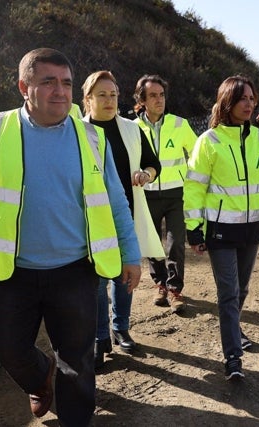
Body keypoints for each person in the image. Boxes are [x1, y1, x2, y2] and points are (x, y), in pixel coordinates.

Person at [0, 48, 141, 424]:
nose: (60, 91)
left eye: (66, 83)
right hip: (10, 270)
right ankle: (40, 377)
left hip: (75, 270)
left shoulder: (94, 138)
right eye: (48, 82)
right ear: (24, 87)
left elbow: (116, 201)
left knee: (78, 359)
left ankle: (75, 419)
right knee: (1, 344)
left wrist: (131, 254)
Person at [185, 75, 259, 380]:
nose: (249, 104)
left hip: (253, 229)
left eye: (252, 98)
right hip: (220, 231)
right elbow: (194, 189)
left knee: (241, 289)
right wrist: (194, 228)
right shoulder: (209, 141)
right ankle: (233, 358)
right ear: (227, 101)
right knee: (228, 293)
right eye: (243, 98)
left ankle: (234, 329)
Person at [81, 70, 164, 366]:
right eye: (101, 95)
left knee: (124, 274)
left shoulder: (131, 129)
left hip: (126, 213)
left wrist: (146, 174)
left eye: (113, 95)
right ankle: (100, 336)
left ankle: (122, 329)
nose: (109, 100)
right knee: (95, 280)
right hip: (90, 218)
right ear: (88, 99)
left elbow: (154, 164)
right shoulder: (77, 131)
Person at [133, 75, 198, 313]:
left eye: (161, 95)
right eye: (153, 95)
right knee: (152, 244)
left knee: (175, 244)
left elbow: (196, 156)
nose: (159, 100)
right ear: (142, 99)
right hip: (146, 194)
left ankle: (175, 289)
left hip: (176, 195)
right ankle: (159, 284)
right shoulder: (133, 127)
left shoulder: (180, 124)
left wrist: (191, 183)